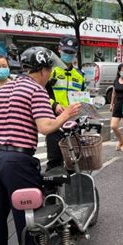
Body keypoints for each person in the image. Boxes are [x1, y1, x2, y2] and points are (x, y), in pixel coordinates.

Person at [0, 46, 80, 245]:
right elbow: (46, 127)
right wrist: (66, 114)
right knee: (27, 217)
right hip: (17, 161)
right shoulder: (35, 90)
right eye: (49, 70)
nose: (49, 75)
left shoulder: (3, 90)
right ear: (44, 70)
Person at [45, 35, 86, 171]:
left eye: (71, 53)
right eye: (65, 52)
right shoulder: (49, 71)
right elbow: (39, 92)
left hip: (74, 124)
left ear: (76, 54)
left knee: (74, 161)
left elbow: (83, 97)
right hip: (54, 121)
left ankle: (73, 190)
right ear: (59, 50)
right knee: (54, 161)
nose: (68, 55)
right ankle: (52, 191)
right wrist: (54, 105)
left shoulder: (79, 75)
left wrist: (87, 110)